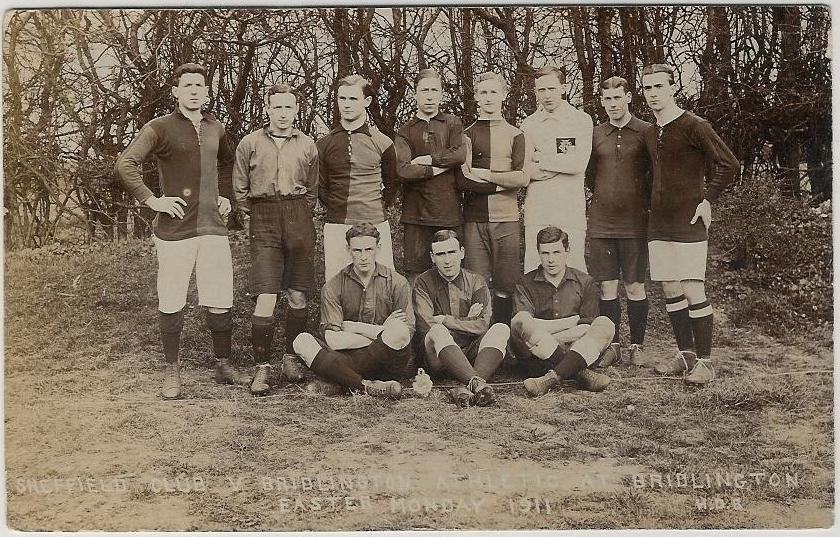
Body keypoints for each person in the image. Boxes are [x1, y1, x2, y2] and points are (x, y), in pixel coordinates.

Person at [115, 63, 236, 399]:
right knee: (172, 298)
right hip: (175, 229)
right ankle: (172, 371)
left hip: (212, 225)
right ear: (176, 92)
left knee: (220, 296)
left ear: (207, 92)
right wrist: (152, 201)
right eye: (188, 85)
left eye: (200, 85)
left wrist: (225, 195)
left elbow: (226, 163)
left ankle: (223, 364)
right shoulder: (159, 127)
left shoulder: (217, 127)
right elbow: (125, 164)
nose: (195, 91)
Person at [640, 63, 738, 385]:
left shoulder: (695, 124)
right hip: (660, 222)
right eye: (647, 88)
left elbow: (729, 164)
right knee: (669, 286)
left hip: (689, 219)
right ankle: (686, 356)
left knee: (692, 286)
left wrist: (707, 199)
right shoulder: (651, 131)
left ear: (672, 88)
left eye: (658, 87)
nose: (653, 93)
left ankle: (706, 363)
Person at [233, 83, 318, 395]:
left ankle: (291, 358)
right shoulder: (250, 143)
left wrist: (299, 216)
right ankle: (262, 367)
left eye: (289, 107)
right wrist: (251, 217)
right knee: (266, 294)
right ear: (267, 109)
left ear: (297, 111)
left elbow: (312, 189)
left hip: (298, 215)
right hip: (264, 216)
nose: (283, 113)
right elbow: (240, 188)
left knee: (298, 294)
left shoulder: (308, 144)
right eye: (277, 107)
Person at [291, 223, 413, 398]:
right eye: (357, 250)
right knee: (301, 341)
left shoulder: (397, 282)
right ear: (348, 249)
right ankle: (365, 386)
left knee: (399, 331)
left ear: (378, 248)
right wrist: (382, 332)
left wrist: (353, 327)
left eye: (369, 249)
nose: (363, 257)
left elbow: (405, 335)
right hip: (349, 359)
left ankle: (341, 382)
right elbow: (334, 341)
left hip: (385, 361)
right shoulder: (333, 286)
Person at [586, 76, 654, 367]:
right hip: (601, 223)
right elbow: (590, 175)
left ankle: (637, 344)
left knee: (635, 286)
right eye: (606, 99)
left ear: (628, 97)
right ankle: (612, 344)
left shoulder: (646, 132)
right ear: (601, 101)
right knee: (607, 287)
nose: (612, 104)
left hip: (634, 223)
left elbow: (654, 175)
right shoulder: (595, 133)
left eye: (617, 98)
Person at [457, 71, 529, 326]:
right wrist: (503, 182)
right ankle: (480, 336)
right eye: (483, 92)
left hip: (507, 219)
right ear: (476, 96)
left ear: (504, 95)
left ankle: (504, 336)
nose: (488, 98)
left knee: (506, 283)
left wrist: (485, 175)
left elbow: (522, 178)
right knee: (477, 283)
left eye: (494, 92)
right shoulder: (465, 134)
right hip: (474, 220)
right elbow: (464, 180)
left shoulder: (516, 134)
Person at [511, 227, 617, 396]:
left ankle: (550, 379)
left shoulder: (585, 282)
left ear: (567, 251)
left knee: (605, 323)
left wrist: (546, 338)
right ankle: (579, 373)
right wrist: (571, 321)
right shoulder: (525, 282)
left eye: (556, 252)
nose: (551, 259)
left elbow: (586, 327)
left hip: (575, 349)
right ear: (538, 253)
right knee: (521, 319)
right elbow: (525, 325)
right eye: (545, 253)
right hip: (538, 358)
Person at [413, 230, 510, 407]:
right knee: (437, 330)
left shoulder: (476, 281)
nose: (447, 260)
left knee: (501, 328)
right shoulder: (423, 282)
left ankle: (469, 386)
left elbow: (482, 325)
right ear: (432, 257)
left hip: (472, 352)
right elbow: (425, 325)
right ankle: (474, 381)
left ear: (462, 253)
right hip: (438, 356)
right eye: (441, 254)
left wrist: (445, 319)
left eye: (452, 252)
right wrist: (466, 320)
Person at [317, 74, 398, 281]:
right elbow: (322, 187)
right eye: (342, 99)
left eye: (353, 99)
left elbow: (392, 184)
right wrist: (336, 207)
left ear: (367, 101)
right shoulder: (324, 144)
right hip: (337, 224)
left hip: (375, 222)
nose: (346, 105)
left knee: (381, 283)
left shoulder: (383, 142)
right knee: (337, 283)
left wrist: (375, 206)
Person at [394, 68, 466, 284]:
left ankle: (451, 319)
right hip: (416, 214)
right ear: (415, 93)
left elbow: (460, 154)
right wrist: (440, 168)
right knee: (416, 274)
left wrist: (428, 160)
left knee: (451, 271)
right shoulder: (405, 130)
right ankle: (418, 318)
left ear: (441, 93)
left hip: (447, 211)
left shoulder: (452, 123)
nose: (429, 95)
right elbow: (403, 170)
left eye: (434, 90)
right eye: (424, 90)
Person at [521, 66, 593, 274]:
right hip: (538, 208)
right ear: (535, 92)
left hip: (569, 208)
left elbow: (577, 164)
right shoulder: (529, 124)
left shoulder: (580, 120)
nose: (547, 95)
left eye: (552, 89)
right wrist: (556, 162)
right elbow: (525, 169)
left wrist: (541, 158)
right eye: (541, 90)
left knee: (573, 268)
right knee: (535, 268)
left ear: (563, 88)